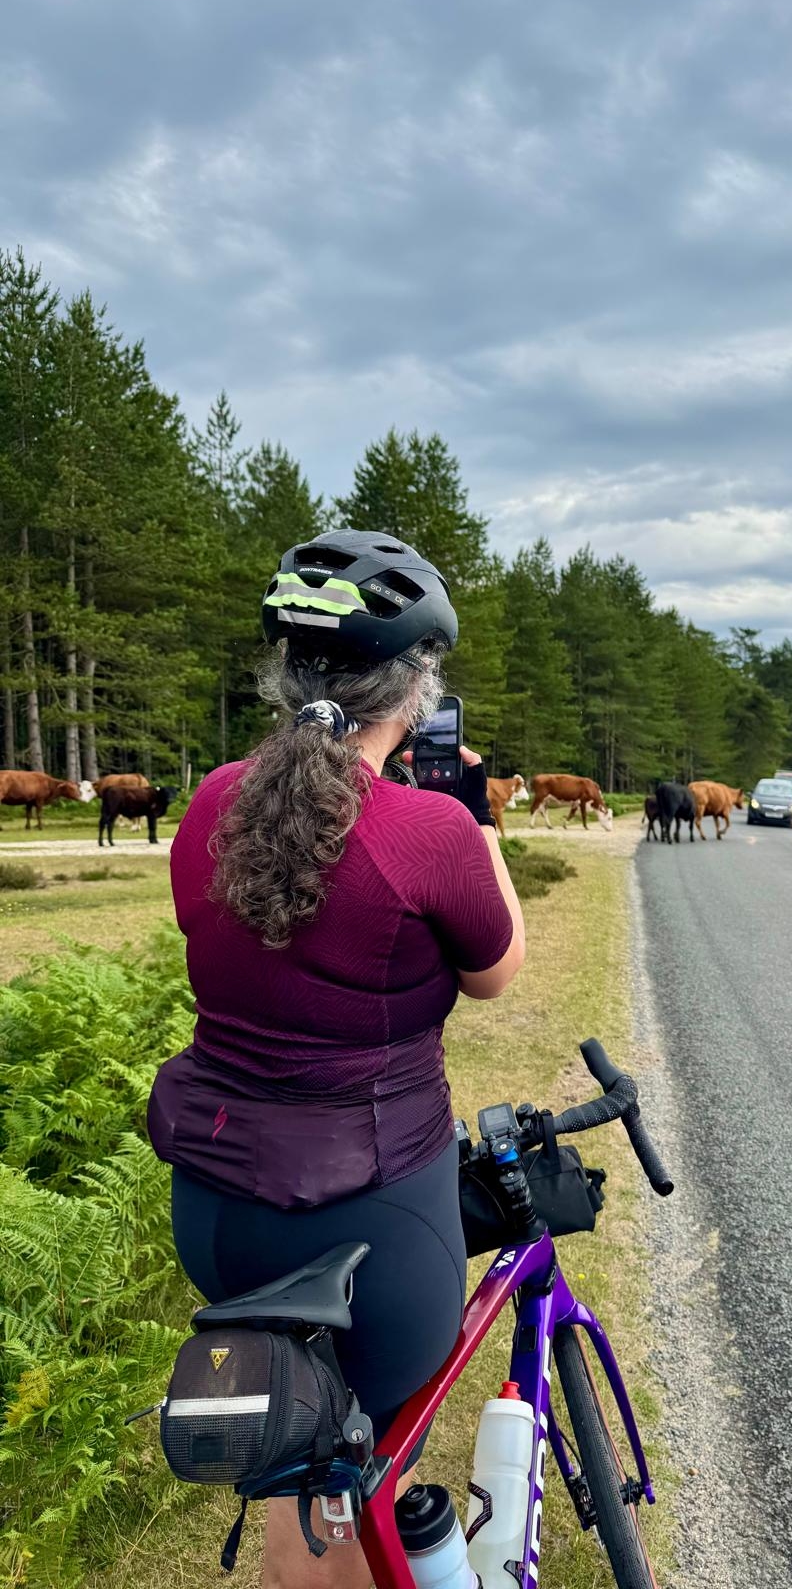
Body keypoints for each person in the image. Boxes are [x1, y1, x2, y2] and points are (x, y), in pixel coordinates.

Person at [147, 530, 526, 1589]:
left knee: (302, 1458)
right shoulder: (433, 829)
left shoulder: (215, 800)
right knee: (358, 1472)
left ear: (288, 677)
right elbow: (496, 974)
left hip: (216, 1207)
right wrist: (478, 834)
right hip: (369, 1222)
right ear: (415, 693)